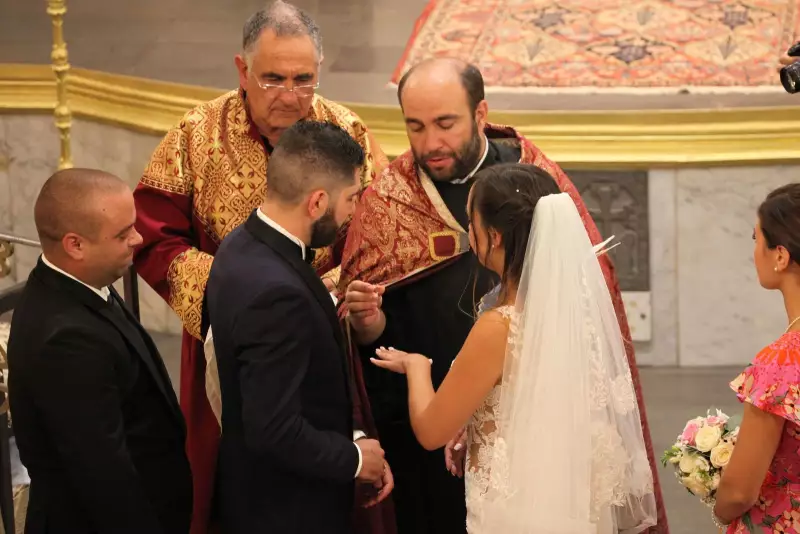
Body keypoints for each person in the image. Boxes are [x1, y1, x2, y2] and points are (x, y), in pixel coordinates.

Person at [339, 58, 669, 534]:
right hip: (490, 460)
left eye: (446, 123)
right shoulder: (390, 198)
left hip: (495, 465)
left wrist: (420, 370)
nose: (431, 142)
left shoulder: (533, 191)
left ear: (480, 113)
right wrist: (370, 325)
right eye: (415, 126)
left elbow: (433, 427)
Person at [132, 2, 389, 532]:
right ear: (242, 70)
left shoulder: (348, 132)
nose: (290, 97)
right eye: (273, 79)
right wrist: (226, 296)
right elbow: (152, 236)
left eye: (304, 80)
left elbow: (376, 232)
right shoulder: (196, 134)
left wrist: (327, 295)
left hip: (327, 329)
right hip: (223, 331)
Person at [371, 163, 657, 533]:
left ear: (494, 236)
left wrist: (416, 367)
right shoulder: (574, 312)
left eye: (470, 222)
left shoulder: (500, 325)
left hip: (516, 510)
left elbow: (430, 430)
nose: (468, 233)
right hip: (564, 499)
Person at [206, 121, 393, 533]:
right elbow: (273, 429)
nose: (352, 212)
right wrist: (357, 459)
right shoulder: (277, 293)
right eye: (350, 198)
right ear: (317, 202)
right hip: (287, 511)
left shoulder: (243, 243)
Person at [7, 169, 192, 534]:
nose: (138, 239)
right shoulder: (66, 341)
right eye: (123, 234)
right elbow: (102, 476)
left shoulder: (85, 283)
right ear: (75, 244)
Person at [714, 183, 800, 532]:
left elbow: (738, 491)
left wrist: (720, 510)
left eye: (756, 239)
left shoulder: (782, 363)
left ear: (780, 255)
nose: (754, 252)